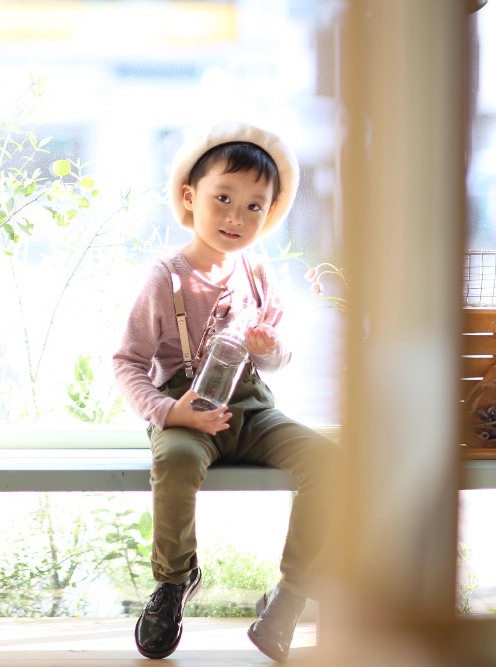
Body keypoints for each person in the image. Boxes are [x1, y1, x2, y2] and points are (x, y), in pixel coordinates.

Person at [112, 121, 335, 662]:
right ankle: (174, 581)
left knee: (330, 464)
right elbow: (127, 362)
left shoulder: (257, 273)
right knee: (177, 462)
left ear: (270, 212)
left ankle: (290, 594)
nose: (236, 217)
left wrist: (267, 347)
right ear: (191, 197)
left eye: (254, 206)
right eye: (223, 199)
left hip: (252, 410)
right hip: (188, 408)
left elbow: (279, 356)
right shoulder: (165, 279)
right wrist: (169, 411)